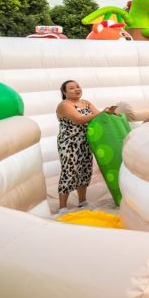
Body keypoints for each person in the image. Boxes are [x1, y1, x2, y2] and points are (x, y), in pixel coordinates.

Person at [56, 80, 116, 213]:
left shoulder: (86, 103)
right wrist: (102, 112)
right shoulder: (64, 105)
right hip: (69, 143)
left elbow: (97, 117)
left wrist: (109, 113)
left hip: (86, 141)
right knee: (69, 171)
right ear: (65, 92)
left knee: (84, 170)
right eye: (72, 88)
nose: (77, 89)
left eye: (78, 87)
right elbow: (78, 119)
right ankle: (62, 207)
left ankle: (82, 201)